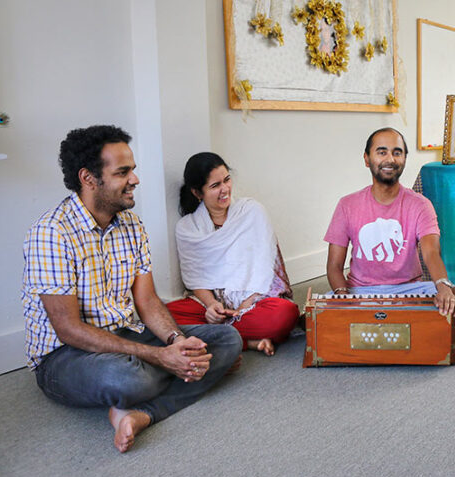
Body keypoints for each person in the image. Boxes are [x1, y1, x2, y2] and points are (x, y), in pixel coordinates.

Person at [21, 126, 241, 453]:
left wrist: (176, 343)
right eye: (123, 172)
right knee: (133, 379)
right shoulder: (51, 234)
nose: (135, 179)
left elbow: (148, 300)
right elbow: (68, 330)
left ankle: (140, 414)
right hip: (65, 356)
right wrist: (161, 357)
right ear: (89, 177)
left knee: (227, 339)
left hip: (127, 334)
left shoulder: (132, 224)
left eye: (133, 170)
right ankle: (179, 374)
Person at [325, 127, 455, 316]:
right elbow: (334, 266)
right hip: (360, 292)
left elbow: (431, 252)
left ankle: (388, 317)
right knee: (314, 313)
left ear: (404, 159)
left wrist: (443, 287)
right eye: (382, 152)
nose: (390, 159)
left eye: (397, 153)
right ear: (367, 159)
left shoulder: (421, 204)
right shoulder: (347, 205)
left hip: (409, 291)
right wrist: (342, 296)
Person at [167, 152, 299, 357]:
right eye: (215, 186)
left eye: (227, 180)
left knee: (285, 314)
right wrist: (211, 307)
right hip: (213, 304)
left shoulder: (252, 211)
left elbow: (268, 269)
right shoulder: (188, 228)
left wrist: (249, 301)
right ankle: (249, 341)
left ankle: (220, 337)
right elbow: (195, 279)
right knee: (164, 317)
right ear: (197, 193)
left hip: (254, 301)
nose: (225, 189)